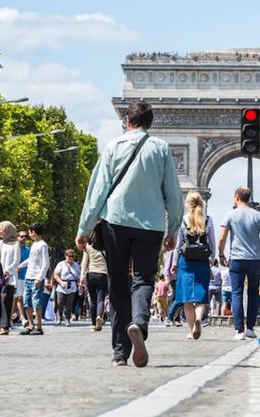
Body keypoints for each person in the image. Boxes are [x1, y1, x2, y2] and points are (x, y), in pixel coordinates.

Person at [75, 99, 183, 367]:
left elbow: (96, 191)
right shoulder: (161, 149)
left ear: (127, 121)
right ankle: (139, 323)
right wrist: (173, 229)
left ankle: (120, 352)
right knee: (144, 279)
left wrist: (84, 228)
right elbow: (174, 194)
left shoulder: (113, 146)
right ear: (150, 123)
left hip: (116, 222)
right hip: (151, 225)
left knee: (118, 284)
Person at [218, 187, 260, 341]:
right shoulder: (258, 215)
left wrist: (220, 254)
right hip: (255, 259)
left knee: (236, 294)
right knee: (253, 294)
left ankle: (239, 330)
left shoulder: (230, 215)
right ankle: (250, 328)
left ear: (237, 197)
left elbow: (222, 238)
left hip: (236, 259)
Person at [172, 191, 216, 340]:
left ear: (187, 204)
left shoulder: (183, 221)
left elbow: (178, 245)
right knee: (201, 294)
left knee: (187, 298)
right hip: (202, 261)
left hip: (186, 262)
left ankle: (192, 330)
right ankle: (199, 318)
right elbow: (212, 244)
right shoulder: (208, 220)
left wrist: (174, 264)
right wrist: (212, 260)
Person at [18, 223, 49, 336]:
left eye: (30, 232)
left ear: (34, 232)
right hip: (28, 277)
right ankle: (31, 325)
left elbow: (46, 263)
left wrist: (40, 278)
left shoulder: (42, 245)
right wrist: (21, 265)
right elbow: (31, 260)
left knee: (36, 302)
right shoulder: (34, 245)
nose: (29, 235)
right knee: (27, 302)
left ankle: (39, 326)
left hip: (36, 278)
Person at [0, 221, 20, 335]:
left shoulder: (16, 244)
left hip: (10, 277)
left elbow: (16, 261)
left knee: (6, 300)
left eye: (1, 229)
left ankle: (5, 325)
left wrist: (7, 271)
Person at [79, 243, 108, 331]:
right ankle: (99, 316)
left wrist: (82, 276)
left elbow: (84, 262)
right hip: (103, 274)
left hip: (91, 274)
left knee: (93, 300)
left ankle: (93, 324)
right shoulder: (106, 244)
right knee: (101, 299)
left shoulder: (88, 246)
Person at [53, 249, 81, 327]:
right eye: (69, 256)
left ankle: (67, 319)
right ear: (66, 256)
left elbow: (78, 276)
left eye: (72, 256)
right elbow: (56, 275)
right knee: (60, 302)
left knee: (69, 304)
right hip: (62, 285)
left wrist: (81, 283)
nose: (71, 258)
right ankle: (60, 316)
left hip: (72, 286)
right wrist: (61, 282)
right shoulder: (61, 264)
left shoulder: (76, 265)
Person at [14, 230, 31, 328]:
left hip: (25, 276)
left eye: (25, 236)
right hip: (15, 276)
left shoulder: (28, 250)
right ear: (17, 237)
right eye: (21, 236)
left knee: (20, 298)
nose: (24, 238)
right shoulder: (14, 249)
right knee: (18, 297)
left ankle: (15, 317)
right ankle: (21, 317)